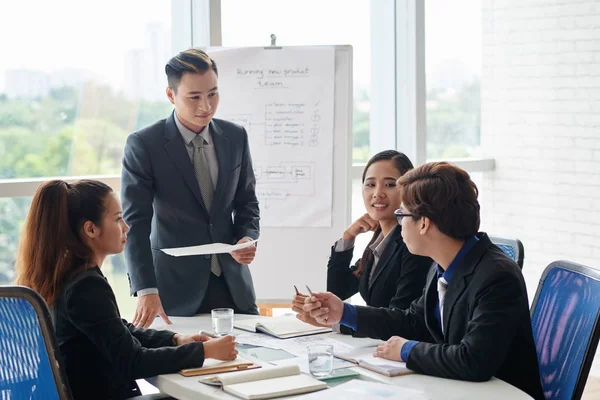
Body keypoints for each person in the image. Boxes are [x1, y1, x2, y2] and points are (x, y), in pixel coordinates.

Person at [302, 162, 544, 400]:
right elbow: (415, 321)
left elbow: (474, 360)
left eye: (402, 215)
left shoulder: (496, 276)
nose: (398, 224)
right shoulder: (443, 265)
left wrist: (407, 350)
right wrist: (344, 312)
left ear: (424, 223)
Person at [15, 180, 238, 400]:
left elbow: (122, 332)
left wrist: (176, 340)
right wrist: (206, 352)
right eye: (118, 219)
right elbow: (132, 361)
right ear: (91, 229)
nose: (126, 227)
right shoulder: (86, 287)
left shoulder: (66, 277)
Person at [121, 48, 261, 327]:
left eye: (213, 94)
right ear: (171, 96)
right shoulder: (144, 145)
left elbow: (247, 201)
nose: (206, 106)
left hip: (233, 286)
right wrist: (146, 289)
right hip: (173, 290)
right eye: (194, 97)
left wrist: (247, 237)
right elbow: (135, 222)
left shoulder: (235, 137)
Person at [291, 150, 432, 333]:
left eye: (390, 184)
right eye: (370, 184)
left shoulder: (413, 245)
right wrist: (347, 238)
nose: (377, 193)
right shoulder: (378, 243)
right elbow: (338, 291)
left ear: (408, 189)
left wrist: (335, 322)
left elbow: (400, 318)